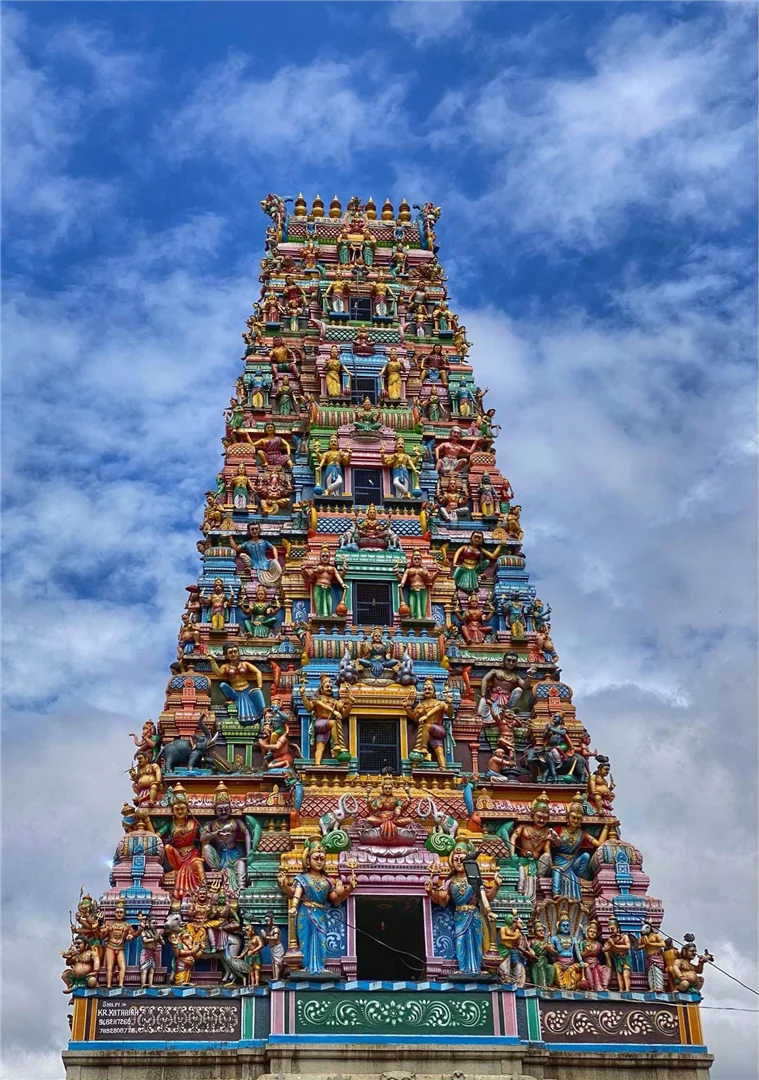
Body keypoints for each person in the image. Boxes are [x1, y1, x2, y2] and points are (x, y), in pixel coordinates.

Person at [426, 845, 500, 975]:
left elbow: (484, 897)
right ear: (451, 862)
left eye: (462, 859)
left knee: (477, 941)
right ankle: (463, 969)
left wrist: (496, 887)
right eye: (456, 859)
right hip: (460, 915)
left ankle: (477, 969)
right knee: (460, 941)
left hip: (474, 914)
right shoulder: (450, 882)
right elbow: (443, 903)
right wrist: (431, 892)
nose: (459, 862)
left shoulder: (475, 879)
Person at [288, 841, 356, 974]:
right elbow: (296, 894)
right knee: (305, 939)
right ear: (308, 860)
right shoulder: (302, 879)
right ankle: (306, 967)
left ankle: (320, 967)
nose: (319, 861)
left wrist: (349, 888)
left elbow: (336, 901)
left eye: (322, 859)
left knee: (321, 939)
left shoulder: (328, 881)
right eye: (316, 858)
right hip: (305, 913)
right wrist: (294, 906)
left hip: (320, 913)